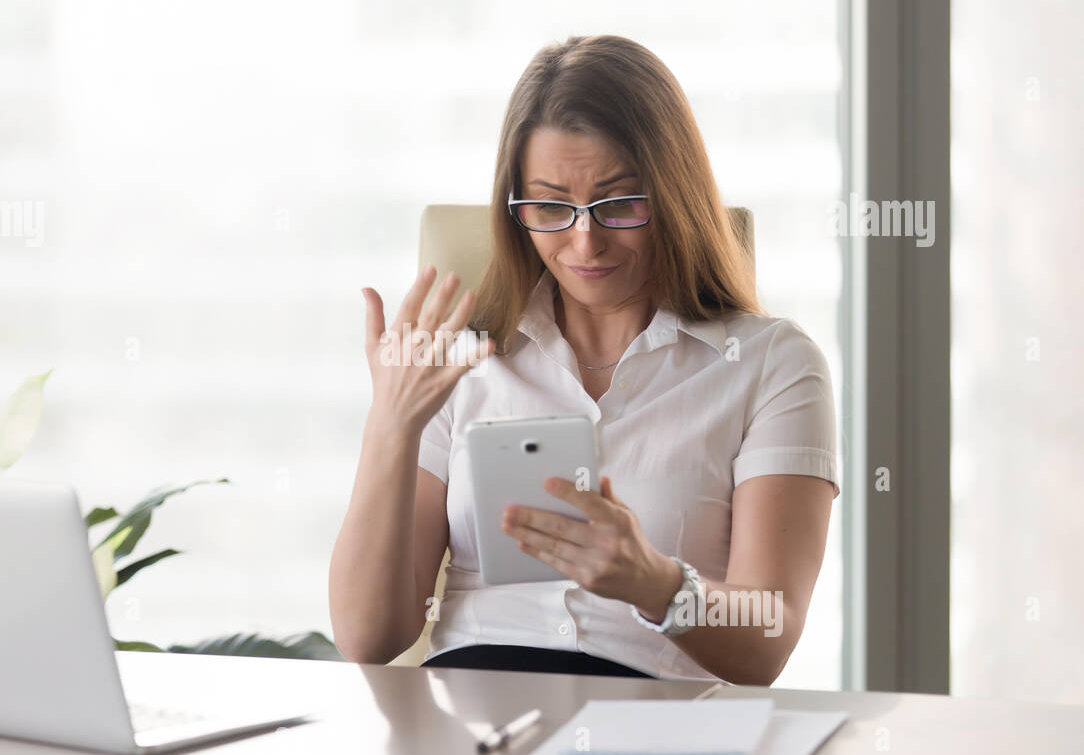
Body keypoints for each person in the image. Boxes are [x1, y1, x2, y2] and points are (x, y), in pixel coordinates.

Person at [328, 35, 839, 683]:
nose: (584, 241)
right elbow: (368, 638)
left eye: (619, 204)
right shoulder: (458, 363)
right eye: (550, 207)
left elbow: (768, 639)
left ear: (674, 195)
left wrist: (656, 583)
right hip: (473, 708)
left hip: (653, 718)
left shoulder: (772, 365)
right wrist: (389, 424)